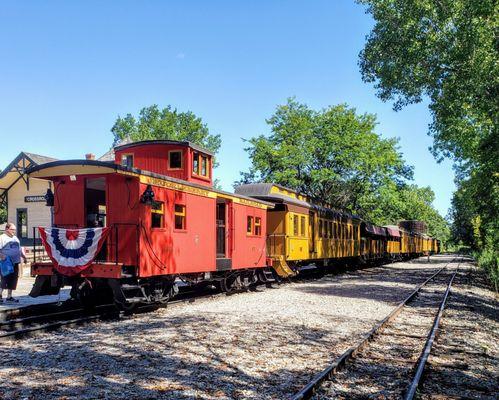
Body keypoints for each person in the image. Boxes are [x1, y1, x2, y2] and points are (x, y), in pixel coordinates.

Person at [0, 222, 27, 303]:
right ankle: (0, 296)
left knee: (13, 279)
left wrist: (24, 257)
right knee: (5, 279)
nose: (14, 231)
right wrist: (2, 256)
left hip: (15, 262)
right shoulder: (2, 238)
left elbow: (19, 249)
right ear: (7, 229)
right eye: (12, 229)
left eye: (14, 230)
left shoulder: (15, 238)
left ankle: (9, 296)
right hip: (6, 263)